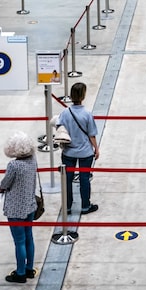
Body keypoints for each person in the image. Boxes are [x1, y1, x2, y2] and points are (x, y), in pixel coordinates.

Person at [0, 131, 38, 283]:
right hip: (30, 205)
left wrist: (0, 188)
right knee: (29, 238)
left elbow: (6, 184)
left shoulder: (14, 165)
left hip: (15, 209)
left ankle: (20, 272)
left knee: (19, 242)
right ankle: (29, 269)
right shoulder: (33, 160)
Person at [56, 82, 99, 215]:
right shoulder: (87, 114)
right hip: (85, 152)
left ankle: (67, 206)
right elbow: (91, 134)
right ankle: (85, 206)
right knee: (84, 179)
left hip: (69, 151)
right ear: (83, 96)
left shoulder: (64, 113)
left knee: (67, 180)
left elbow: (59, 128)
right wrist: (96, 149)